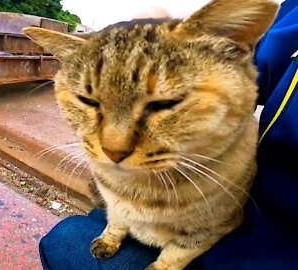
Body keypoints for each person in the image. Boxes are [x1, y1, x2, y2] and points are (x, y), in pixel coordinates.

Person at [39, 0, 298, 269]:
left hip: (267, 244)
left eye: (163, 104)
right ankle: (115, 231)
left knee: (66, 246)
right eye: (89, 102)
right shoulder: (294, 15)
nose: (114, 145)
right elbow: (249, 64)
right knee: (64, 239)